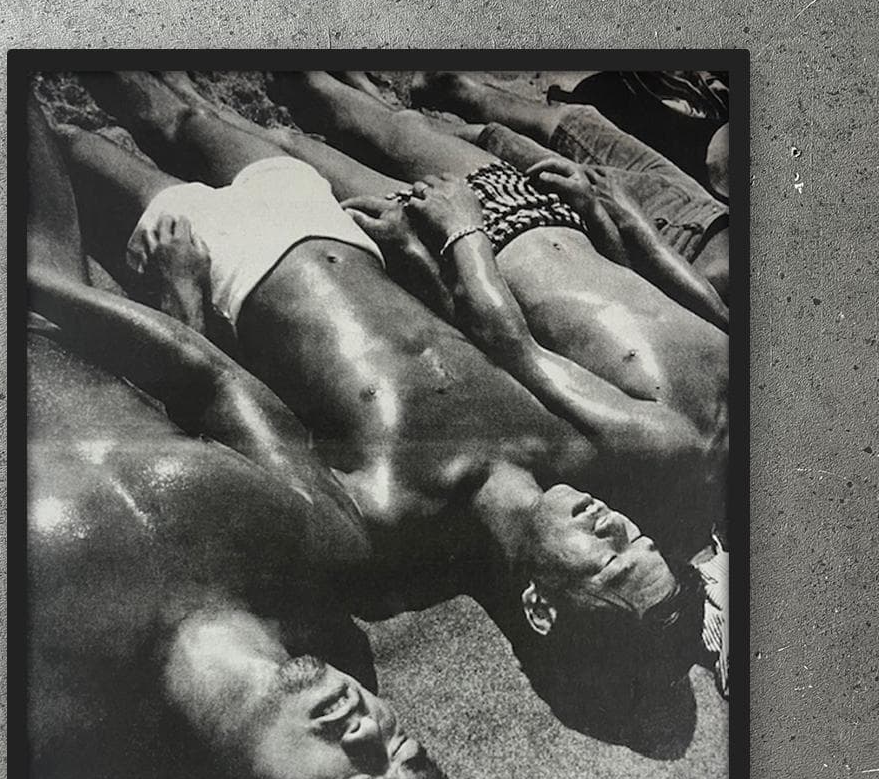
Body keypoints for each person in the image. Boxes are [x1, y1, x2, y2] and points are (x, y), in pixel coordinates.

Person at [61, 72, 727, 721]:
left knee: (68, 144)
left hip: (224, 270)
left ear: (540, 607)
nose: (618, 527)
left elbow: (219, 404)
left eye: (609, 564)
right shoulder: (573, 446)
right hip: (337, 233)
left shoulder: (384, 530)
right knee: (191, 111)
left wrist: (180, 292)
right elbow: (487, 335)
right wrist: (414, 250)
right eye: (641, 542)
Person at [25, 98, 485, 779]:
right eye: (402, 747)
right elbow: (205, 380)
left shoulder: (55, 731)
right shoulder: (319, 561)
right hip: (49, 286)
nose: (367, 733)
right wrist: (40, 285)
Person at [392, 70, 730, 304]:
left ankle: (400, 124)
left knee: (518, 155)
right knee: (581, 124)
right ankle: (457, 89)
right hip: (712, 215)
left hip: (675, 249)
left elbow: (698, 314)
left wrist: (632, 225)